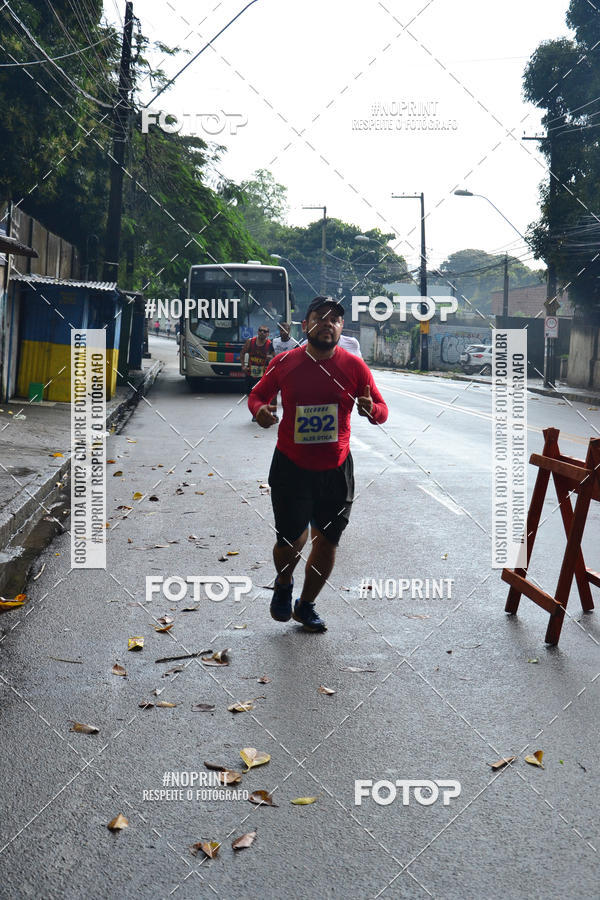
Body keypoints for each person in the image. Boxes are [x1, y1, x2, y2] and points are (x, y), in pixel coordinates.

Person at [248, 296, 388, 633]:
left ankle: (306, 605)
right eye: (319, 317)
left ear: (341, 328)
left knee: (327, 541)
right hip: (291, 466)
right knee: (291, 541)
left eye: (335, 319)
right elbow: (257, 395)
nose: (327, 323)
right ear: (305, 325)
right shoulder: (284, 363)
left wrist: (371, 410)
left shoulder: (355, 367)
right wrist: (260, 411)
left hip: (336, 470)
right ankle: (284, 583)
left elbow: (382, 410)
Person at [241, 326, 274, 421]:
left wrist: (270, 358)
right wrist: (243, 366)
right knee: (251, 395)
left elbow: (275, 356)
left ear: (268, 334)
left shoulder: (270, 344)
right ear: (258, 332)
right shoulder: (250, 342)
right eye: (260, 330)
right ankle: (255, 412)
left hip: (263, 375)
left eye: (265, 331)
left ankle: (259, 413)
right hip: (250, 373)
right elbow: (242, 353)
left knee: (262, 394)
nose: (262, 332)